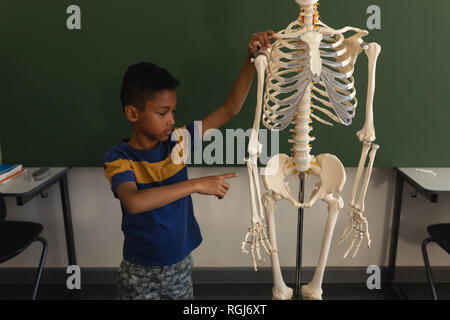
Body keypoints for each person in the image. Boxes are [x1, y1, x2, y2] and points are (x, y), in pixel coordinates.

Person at [103, 30, 275, 300]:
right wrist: (196, 184)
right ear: (133, 113)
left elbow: (230, 109)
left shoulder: (178, 141)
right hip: (138, 272)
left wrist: (250, 60)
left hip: (180, 265)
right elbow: (133, 202)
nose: (171, 120)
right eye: (162, 113)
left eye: (173, 111)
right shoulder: (119, 157)